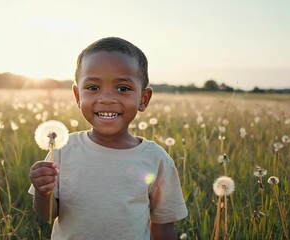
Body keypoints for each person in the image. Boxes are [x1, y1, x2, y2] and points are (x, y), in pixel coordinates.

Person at [29, 37, 188, 239]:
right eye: (93, 88)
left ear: (143, 99)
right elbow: (49, 215)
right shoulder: (62, 150)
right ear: (78, 96)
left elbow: (164, 227)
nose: (106, 98)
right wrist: (43, 192)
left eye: (122, 88)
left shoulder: (156, 159)